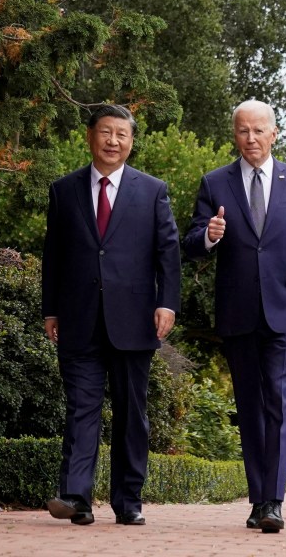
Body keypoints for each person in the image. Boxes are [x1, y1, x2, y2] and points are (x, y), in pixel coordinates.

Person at [182, 100, 286, 533]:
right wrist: (209, 238)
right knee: (250, 407)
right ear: (234, 134)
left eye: (258, 131)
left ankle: (274, 502)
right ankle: (257, 499)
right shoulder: (215, 182)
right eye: (242, 131)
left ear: (274, 133)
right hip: (238, 311)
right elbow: (191, 241)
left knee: (280, 405)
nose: (250, 139)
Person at [41, 104, 181, 526]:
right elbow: (54, 256)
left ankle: (128, 500)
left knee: (130, 412)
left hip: (135, 319)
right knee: (81, 407)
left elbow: (168, 254)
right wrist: (51, 309)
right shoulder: (63, 190)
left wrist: (167, 302)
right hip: (78, 317)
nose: (113, 141)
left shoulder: (152, 190)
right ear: (90, 136)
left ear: (131, 142)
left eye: (121, 134)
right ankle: (76, 497)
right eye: (105, 132)